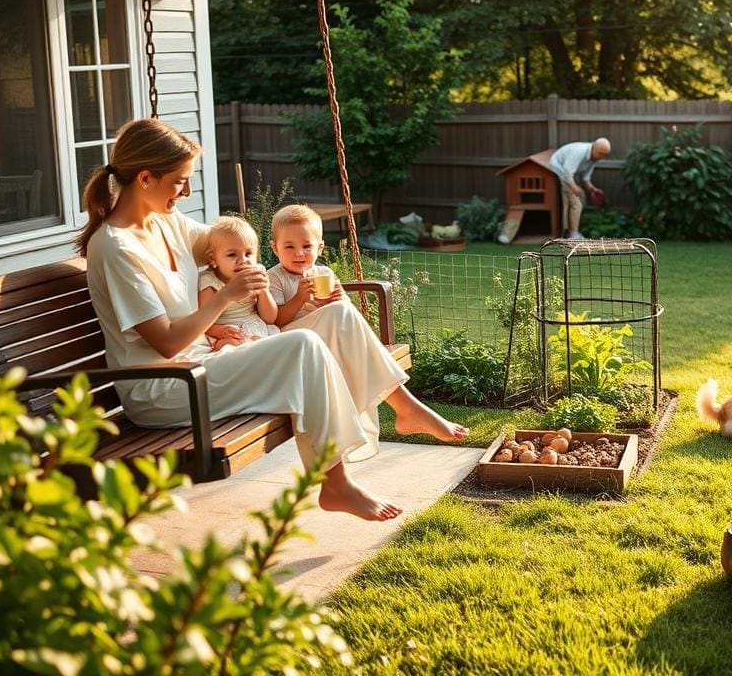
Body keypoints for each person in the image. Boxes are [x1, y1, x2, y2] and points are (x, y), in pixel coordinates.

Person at [77, 118, 467, 522]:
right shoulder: (117, 248)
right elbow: (166, 343)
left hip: (211, 360)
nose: (187, 191)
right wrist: (225, 297)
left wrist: (291, 247)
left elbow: (232, 241)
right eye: (180, 181)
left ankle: (404, 407)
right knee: (302, 346)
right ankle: (336, 483)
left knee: (335, 315)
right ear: (145, 178)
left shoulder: (167, 224)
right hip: (167, 388)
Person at [264, 204, 470, 462]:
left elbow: (348, 319)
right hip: (294, 347)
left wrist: (335, 300)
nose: (299, 253)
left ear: (320, 248)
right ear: (275, 248)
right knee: (339, 313)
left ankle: (407, 410)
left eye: (307, 246)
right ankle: (407, 408)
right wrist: (300, 298)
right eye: (289, 246)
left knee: (341, 310)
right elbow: (276, 320)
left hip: (325, 345)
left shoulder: (323, 273)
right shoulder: (274, 278)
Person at [198, 215, 280, 350]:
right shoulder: (210, 282)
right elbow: (203, 323)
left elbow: (270, 318)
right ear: (213, 259)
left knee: (274, 343)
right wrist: (221, 331)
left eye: (248, 254)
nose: (243, 261)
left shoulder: (256, 274)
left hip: (257, 327)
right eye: (232, 255)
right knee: (229, 345)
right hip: (229, 334)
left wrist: (264, 290)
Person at [549, 138, 611, 240]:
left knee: (581, 198)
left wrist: (592, 189)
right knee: (576, 202)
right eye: (601, 154)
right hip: (557, 169)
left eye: (605, 155)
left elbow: (585, 179)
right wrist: (573, 187)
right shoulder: (580, 152)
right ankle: (573, 235)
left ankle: (573, 231)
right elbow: (567, 172)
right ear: (594, 147)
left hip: (570, 173)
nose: (602, 157)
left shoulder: (594, 158)